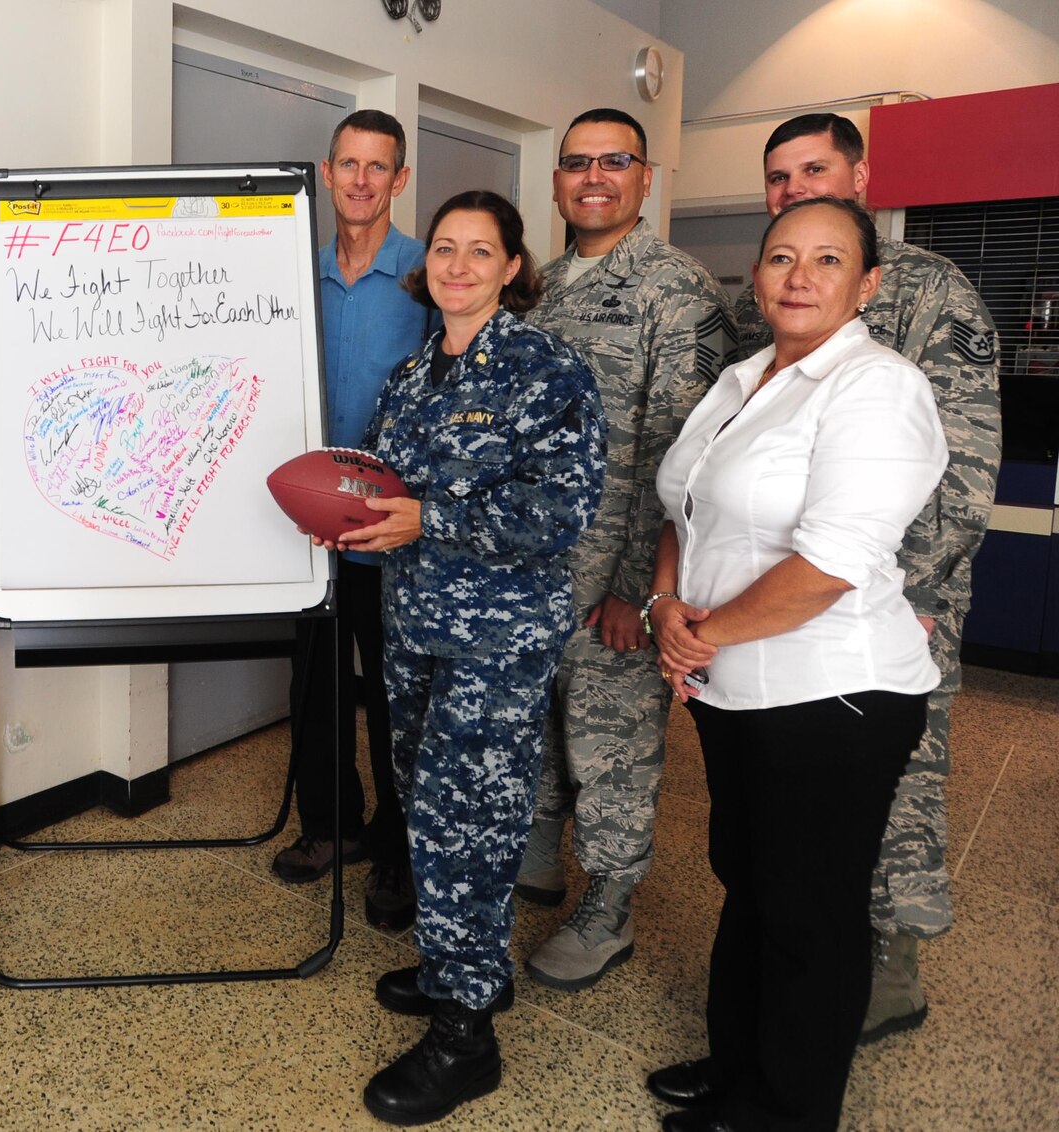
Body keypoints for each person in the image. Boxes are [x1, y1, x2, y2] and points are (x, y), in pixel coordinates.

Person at [646, 196, 947, 1132]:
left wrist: (702, 635)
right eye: (781, 257)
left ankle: (787, 1107)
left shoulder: (878, 385)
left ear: (868, 284)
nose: (799, 276)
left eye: (826, 261)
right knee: (752, 880)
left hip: (833, 693)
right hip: (735, 685)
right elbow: (683, 508)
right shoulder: (744, 377)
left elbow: (831, 563)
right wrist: (666, 605)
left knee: (810, 910)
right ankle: (741, 1065)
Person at [727, 113, 1001, 1043]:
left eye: (814, 169)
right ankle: (810, 971)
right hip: (772, 607)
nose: (794, 188)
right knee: (797, 830)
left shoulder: (933, 293)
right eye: (777, 177)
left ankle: (893, 960)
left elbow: (960, 472)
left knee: (897, 791)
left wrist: (900, 593)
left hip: (889, 602)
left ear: (861, 173)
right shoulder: (763, 295)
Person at [337, 191, 605, 1125]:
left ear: (510, 268)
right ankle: (466, 968)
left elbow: (563, 511)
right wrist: (350, 517)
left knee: (471, 818)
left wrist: (430, 518)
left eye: (478, 251)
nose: (456, 265)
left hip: (496, 639)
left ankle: (465, 1039)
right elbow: (380, 482)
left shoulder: (544, 368)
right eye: (444, 249)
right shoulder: (415, 377)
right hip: (416, 628)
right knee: (424, 799)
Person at [521, 107, 736, 991]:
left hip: (613, 575)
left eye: (616, 161)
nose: (595, 176)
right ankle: (538, 852)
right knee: (536, 729)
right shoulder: (536, 283)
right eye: (577, 162)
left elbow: (679, 458)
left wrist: (636, 589)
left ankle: (609, 905)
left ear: (647, 178)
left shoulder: (677, 291)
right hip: (528, 570)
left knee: (613, 747)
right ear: (559, 178)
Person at [266, 109, 434, 931]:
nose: (362, 180)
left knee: (398, 701)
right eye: (349, 165)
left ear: (399, 180)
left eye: (380, 167)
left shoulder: (426, 274)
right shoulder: (290, 270)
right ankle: (330, 827)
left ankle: (398, 853)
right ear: (327, 173)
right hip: (307, 528)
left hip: (392, 535)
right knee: (317, 687)